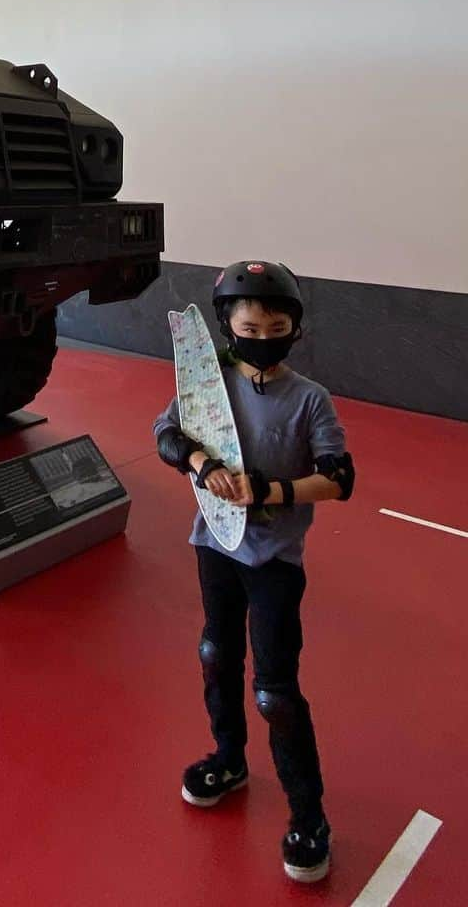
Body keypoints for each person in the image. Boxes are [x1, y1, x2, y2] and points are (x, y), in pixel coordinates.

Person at [153, 260, 355, 883]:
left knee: (275, 690)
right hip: (214, 543)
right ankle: (229, 757)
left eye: (275, 325)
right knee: (215, 653)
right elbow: (166, 430)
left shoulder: (309, 399)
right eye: (248, 325)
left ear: (294, 329)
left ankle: (308, 815)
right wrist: (197, 461)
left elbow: (340, 479)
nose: (261, 335)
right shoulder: (207, 382)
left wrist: (270, 491)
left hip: (272, 562)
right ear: (227, 325)